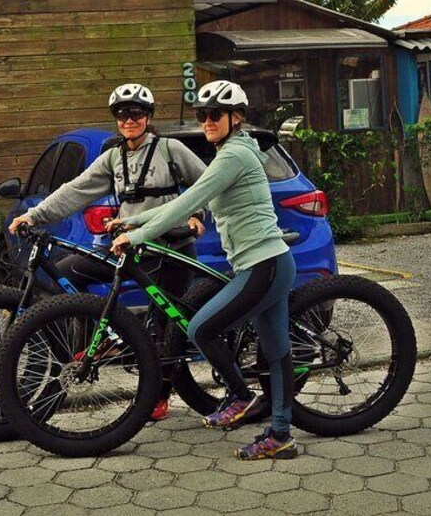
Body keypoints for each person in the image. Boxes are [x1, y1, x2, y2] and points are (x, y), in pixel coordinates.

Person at [107, 80, 298, 460]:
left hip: (264, 265)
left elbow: (190, 200)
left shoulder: (234, 156)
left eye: (215, 114)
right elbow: (184, 201)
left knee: (201, 329)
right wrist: (133, 221)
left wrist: (139, 234)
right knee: (277, 352)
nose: (207, 121)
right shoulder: (230, 153)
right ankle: (281, 435)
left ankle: (241, 396)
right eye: (202, 115)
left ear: (236, 117)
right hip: (264, 264)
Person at [8, 83, 208, 421]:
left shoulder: (170, 150)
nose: (129, 119)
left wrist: (196, 214)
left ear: (148, 116)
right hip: (128, 249)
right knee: (66, 273)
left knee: (163, 329)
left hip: (170, 249)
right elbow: (75, 190)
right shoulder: (114, 157)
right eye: (122, 114)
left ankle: (159, 396)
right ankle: (107, 333)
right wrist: (34, 215)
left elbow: (207, 184)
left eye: (136, 113)